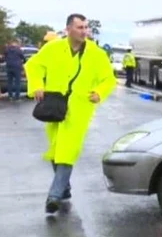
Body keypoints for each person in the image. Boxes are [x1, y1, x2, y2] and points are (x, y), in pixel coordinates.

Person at [24, 13, 117, 213]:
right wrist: (37, 86)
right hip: (54, 105)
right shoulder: (53, 48)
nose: (84, 31)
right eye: (80, 27)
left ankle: (54, 196)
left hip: (79, 109)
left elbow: (109, 79)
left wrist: (99, 93)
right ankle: (64, 189)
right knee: (55, 148)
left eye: (86, 27)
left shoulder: (96, 54)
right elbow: (33, 65)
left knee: (68, 149)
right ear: (68, 29)